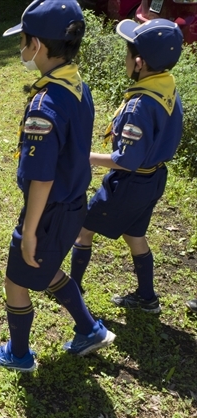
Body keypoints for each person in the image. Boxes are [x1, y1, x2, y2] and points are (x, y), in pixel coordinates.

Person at [0, 0, 115, 372]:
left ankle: (18, 354)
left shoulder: (44, 103)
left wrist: (30, 229)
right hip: (73, 205)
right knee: (48, 266)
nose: (21, 49)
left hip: (50, 210)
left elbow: (41, 176)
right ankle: (90, 329)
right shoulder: (76, 85)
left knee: (15, 281)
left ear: (36, 45)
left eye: (23, 40)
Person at [69, 19, 184, 314]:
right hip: (154, 179)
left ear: (138, 61)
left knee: (83, 228)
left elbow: (126, 161)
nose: (124, 59)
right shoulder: (168, 88)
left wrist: (85, 156)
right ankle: (147, 298)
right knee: (135, 236)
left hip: (130, 184)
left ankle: (73, 288)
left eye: (126, 53)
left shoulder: (140, 105)